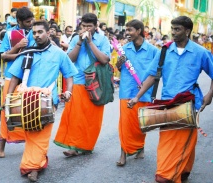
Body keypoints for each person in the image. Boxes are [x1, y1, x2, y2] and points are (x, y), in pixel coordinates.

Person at [128, 16, 213, 183]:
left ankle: (178, 171)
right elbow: (153, 75)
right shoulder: (164, 51)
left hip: (188, 105)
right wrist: (137, 97)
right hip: (167, 103)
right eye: (172, 28)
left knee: (185, 139)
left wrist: (210, 94)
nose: (173, 32)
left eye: (177, 29)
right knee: (168, 139)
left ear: (187, 31)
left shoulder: (201, 52)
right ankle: (167, 173)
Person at [7, 20, 77, 182]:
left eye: (40, 32)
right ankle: (39, 160)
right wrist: (8, 98)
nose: (37, 35)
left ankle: (33, 167)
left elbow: (69, 75)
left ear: (48, 33)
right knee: (31, 133)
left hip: (47, 100)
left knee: (41, 134)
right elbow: (15, 76)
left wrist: (68, 91)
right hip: (26, 100)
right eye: (34, 32)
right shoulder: (27, 52)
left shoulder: (58, 53)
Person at [54, 13, 111, 156]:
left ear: (95, 26)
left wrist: (90, 42)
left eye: (89, 26)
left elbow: (104, 59)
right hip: (79, 80)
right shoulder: (75, 38)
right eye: (83, 26)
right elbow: (70, 60)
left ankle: (87, 145)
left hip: (97, 82)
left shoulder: (103, 39)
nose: (85, 28)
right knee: (75, 115)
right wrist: (79, 42)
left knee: (92, 117)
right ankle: (73, 146)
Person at [0, 6, 35, 158]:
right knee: (6, 111)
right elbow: (4, 56)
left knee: (31, 111)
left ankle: (33, 149)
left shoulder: (36, 33)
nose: (30, 23)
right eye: (27, 21)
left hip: (30, 77)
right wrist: (19, 49)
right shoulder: (9, 34)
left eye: (32, 20)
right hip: (11, 76)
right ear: (18, 21)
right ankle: (0, 149)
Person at [114, 19, 158, 166]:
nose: (127, 33)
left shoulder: (153, 51)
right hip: (127, 90)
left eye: (130, 30)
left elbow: (157, 73)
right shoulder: (124, 49)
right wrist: (119, 64)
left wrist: (148, 86)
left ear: (139, 31)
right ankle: (123, 154)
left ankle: (139, 147)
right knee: (125, 124)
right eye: (126, 30)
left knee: (140, 124)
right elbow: (119, 68)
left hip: (144, 92)